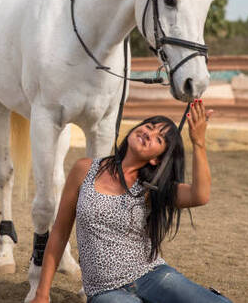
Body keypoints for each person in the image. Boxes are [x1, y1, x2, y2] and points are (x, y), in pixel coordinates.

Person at [30, 99, 232, 303]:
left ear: (156, 160)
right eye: (149, 126)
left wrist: (199, 142)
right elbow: (59, 232)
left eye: (158, 139)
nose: (149, 133)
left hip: (153, 276)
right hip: (105, 291)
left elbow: (200, 195)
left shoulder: (151, 188)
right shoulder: (84, 169)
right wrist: (42, 293)